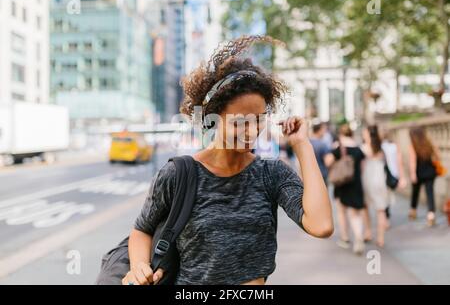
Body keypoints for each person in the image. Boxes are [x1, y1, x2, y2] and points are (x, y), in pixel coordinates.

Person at [122, 36, 334, 285]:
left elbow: (321, 225)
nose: (252, 131)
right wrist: (139, 266)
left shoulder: (271, 174)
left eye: (258, 119)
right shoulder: (177, 174)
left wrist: (302, 144)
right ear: (212, 119)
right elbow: (142, 229)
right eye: (239, 122)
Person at [326, 124, 366, 255]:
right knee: (356, 213)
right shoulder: (358, 148)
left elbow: (328, 162)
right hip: (356, 183)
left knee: (342, 211)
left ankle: (345, 238)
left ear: (341, 134)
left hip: (342, 184)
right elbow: (362, 168)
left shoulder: (339, 147)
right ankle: (359, 236)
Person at [361, 125, 389, 247]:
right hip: (380, 180)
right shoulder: (380, 148)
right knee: (381, 210)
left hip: (367, 179)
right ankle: (381, 238)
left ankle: (368, 232)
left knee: (365, 207)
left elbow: (360, 166)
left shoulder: (364, 148)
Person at [408, 126, 440, 227]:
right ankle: (431, 215)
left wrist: (413, 174)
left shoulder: (413, 145)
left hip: (419, 173)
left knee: (415, 192)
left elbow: (412, 161)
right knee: (430, 193)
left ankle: (413, 211)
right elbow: (437, 156)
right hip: (430, 172)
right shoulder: (428, 142)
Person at [380, 128, 407, 228]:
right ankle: (386, 217)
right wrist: (402, 176)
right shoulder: (394, 146)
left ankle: (385, 217)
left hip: (383, 175)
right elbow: (399, 162)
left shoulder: (379, 147)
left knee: (384, 196)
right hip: (393, 174)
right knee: (387, 196)